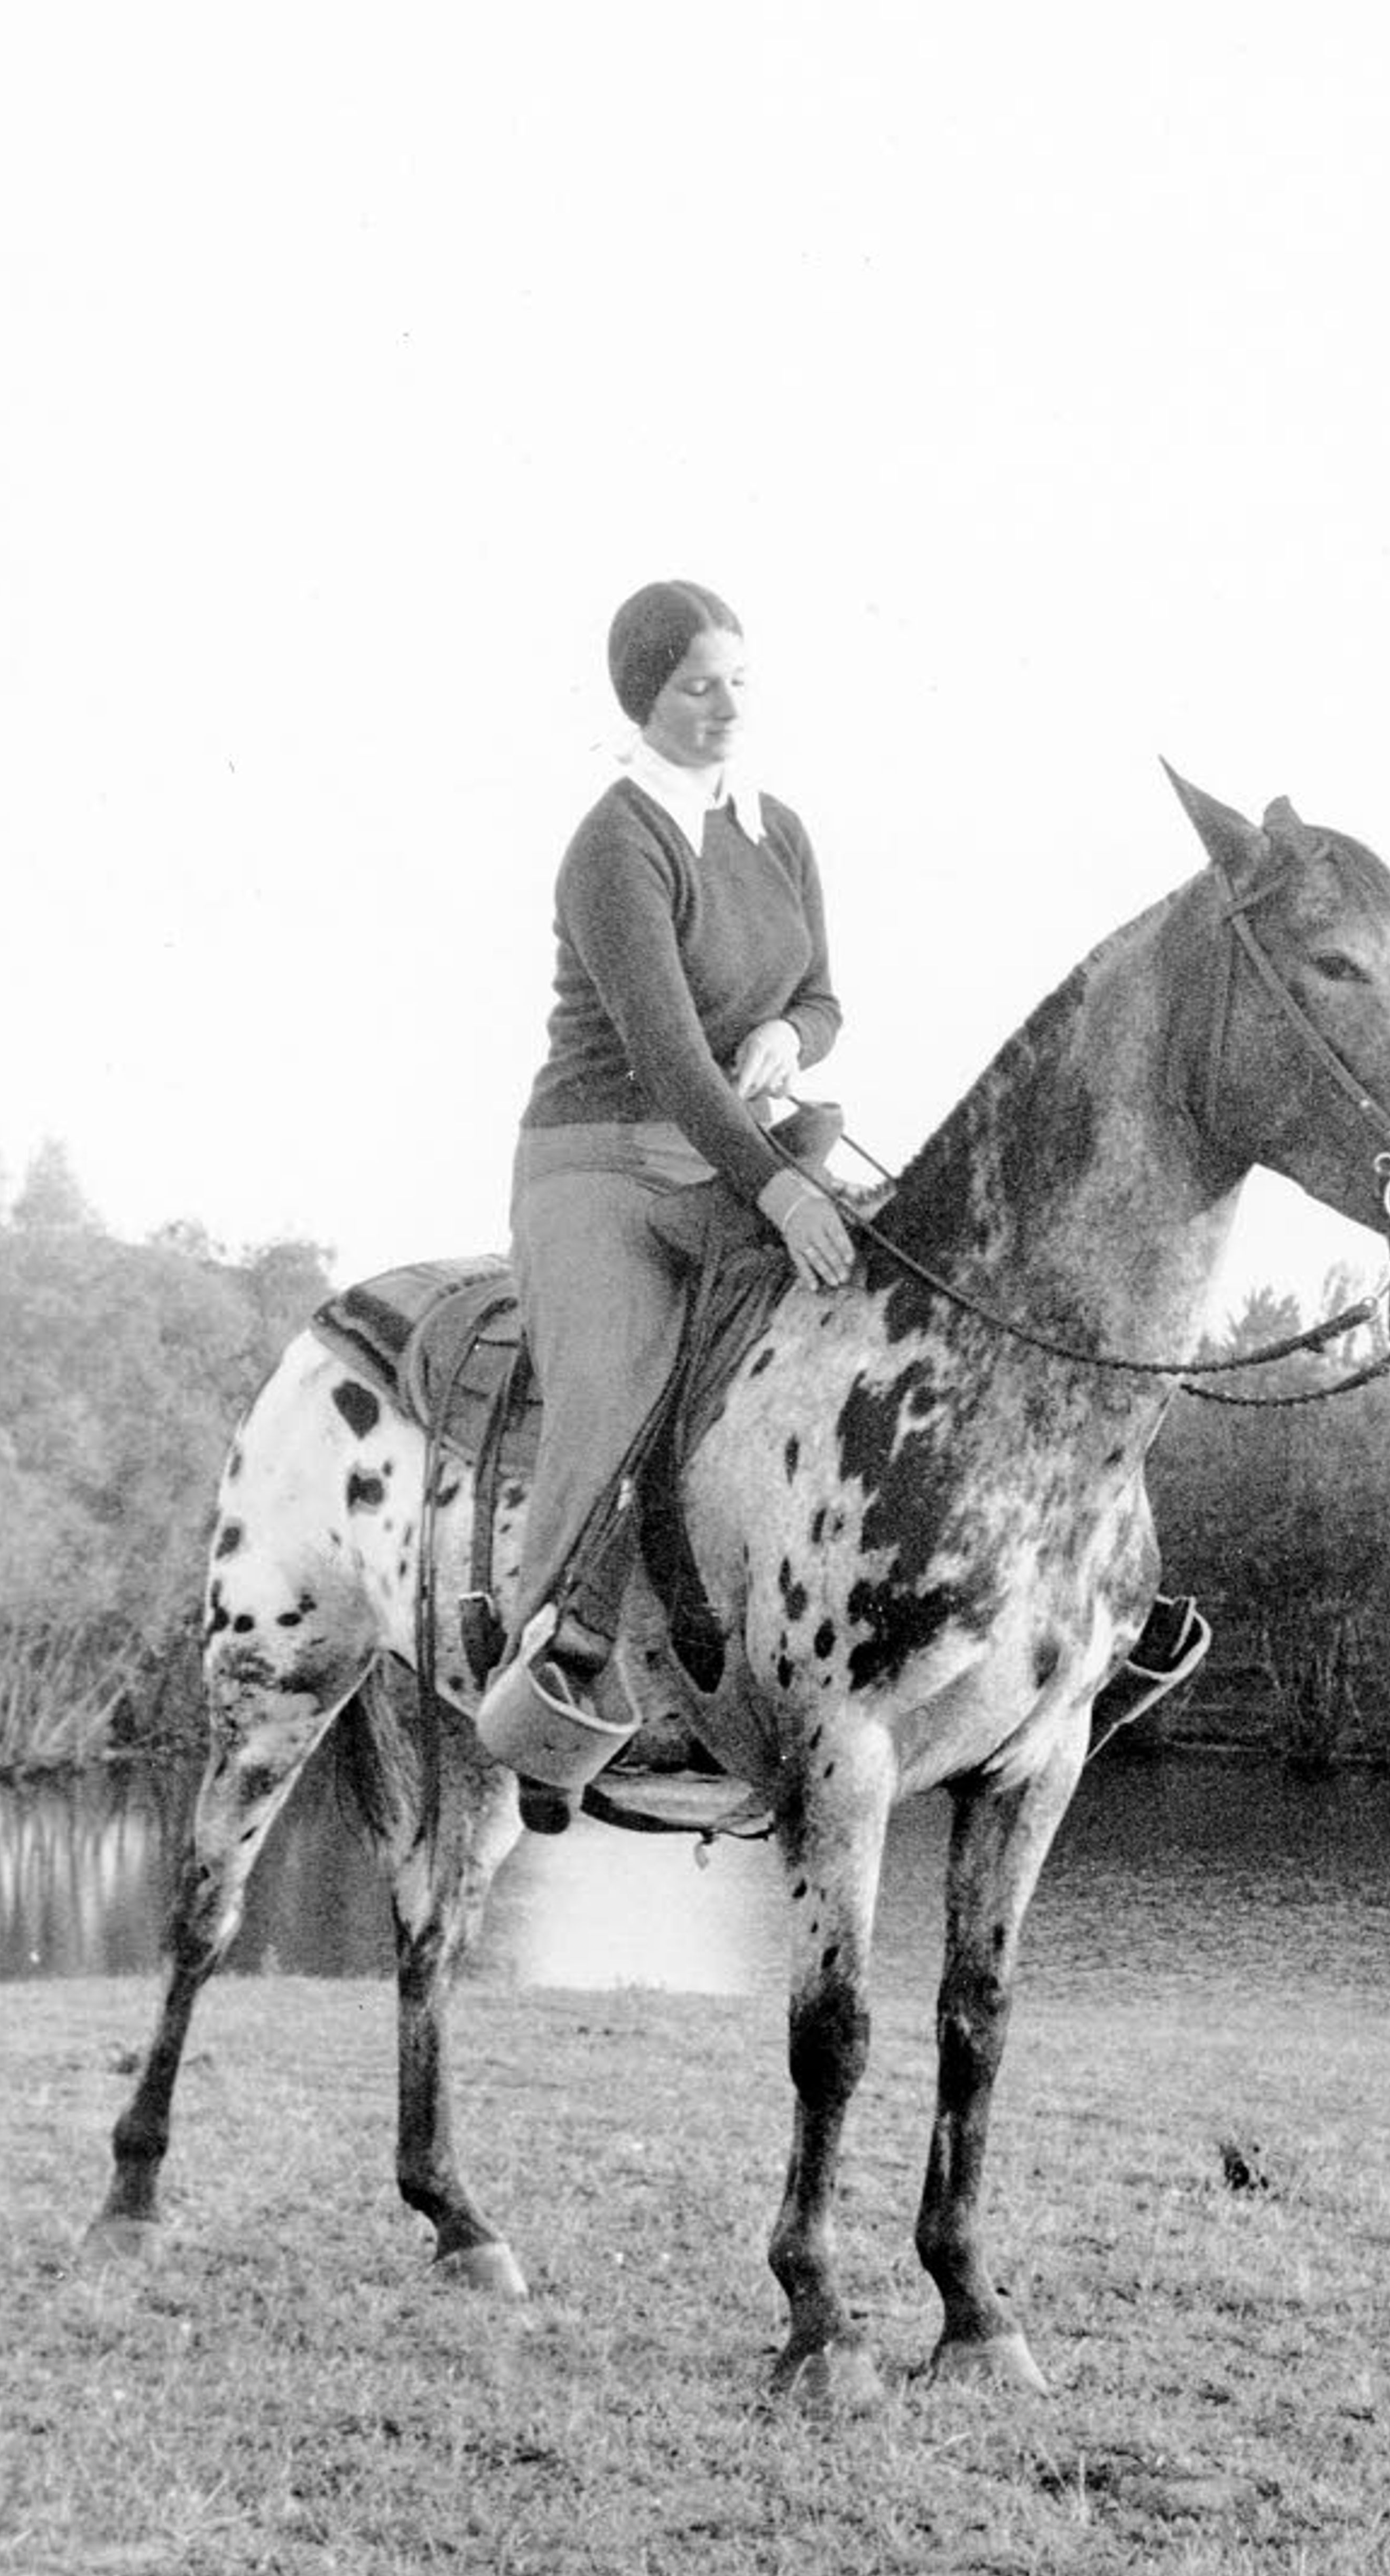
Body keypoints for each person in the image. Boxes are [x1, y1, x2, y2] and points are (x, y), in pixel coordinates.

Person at [477, 580, 854, 1817]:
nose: (726, 707)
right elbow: (672, 1060)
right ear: (648, 698)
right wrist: (785, 1191)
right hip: (601, 1161)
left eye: (740, 678)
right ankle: (553, 1677)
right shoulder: (615, 845)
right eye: (698, 686)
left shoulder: (779, 826)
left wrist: (792, 1045)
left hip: (735, 1140)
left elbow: (826, 999)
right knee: (620, 1386)